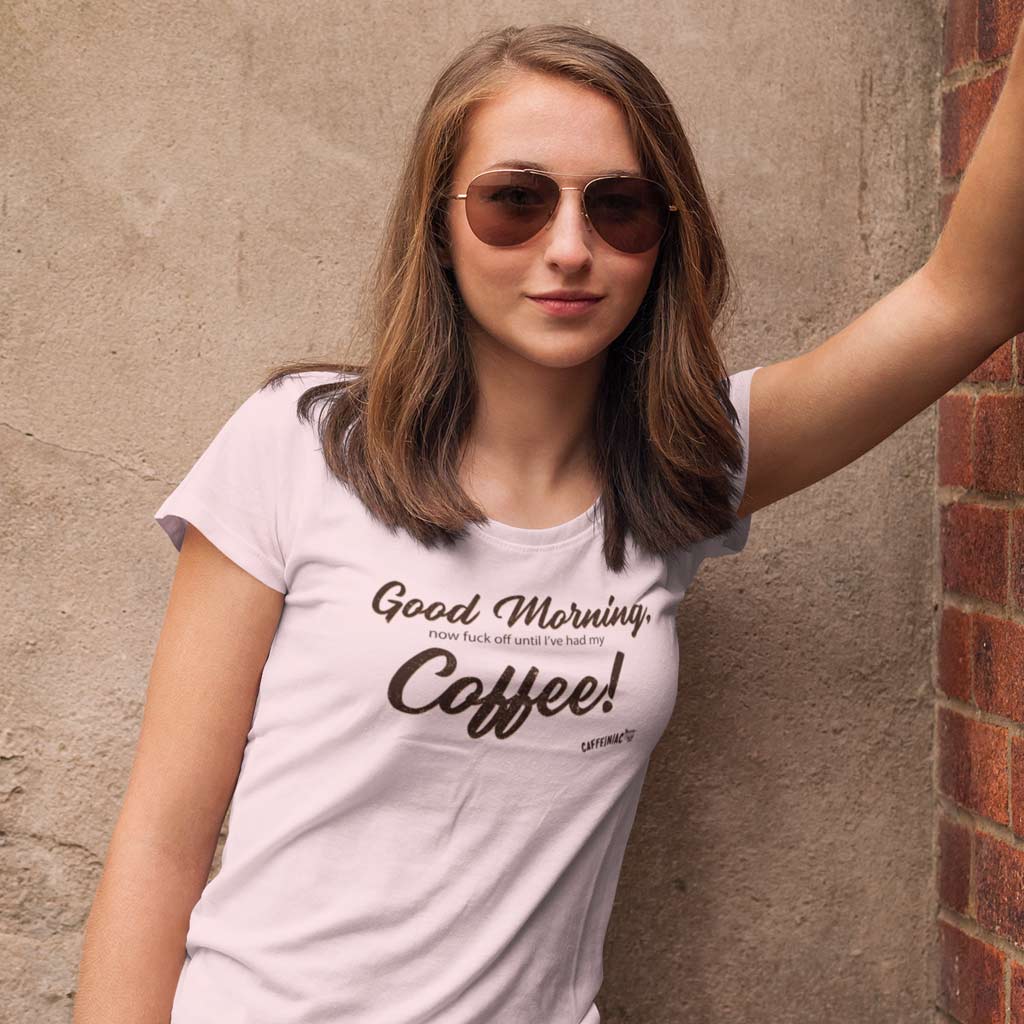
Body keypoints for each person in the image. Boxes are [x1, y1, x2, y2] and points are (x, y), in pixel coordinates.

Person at [73, 19, 1024, 1024]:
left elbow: (971, 294)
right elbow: (160, 841)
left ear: (664, 236)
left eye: (617, 209)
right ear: (439, 223)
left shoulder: (678, 466)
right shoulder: (302, 445)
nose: (568, 249)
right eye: (515, 203)